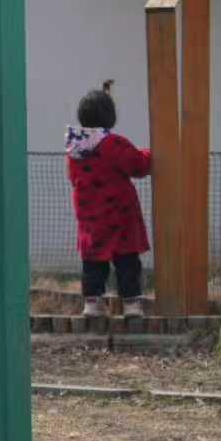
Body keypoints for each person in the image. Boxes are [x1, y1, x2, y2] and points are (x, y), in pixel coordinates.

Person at [64, 80, 151, 319]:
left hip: (90, 215)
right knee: (126, 259)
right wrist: (148, 153)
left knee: (92, 260)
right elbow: (138, 165)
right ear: (109, 116)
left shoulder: (74, 147)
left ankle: (92, 303)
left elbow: (73, 177)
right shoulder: (113, 143)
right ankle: (131, 304)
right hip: (119, 213)